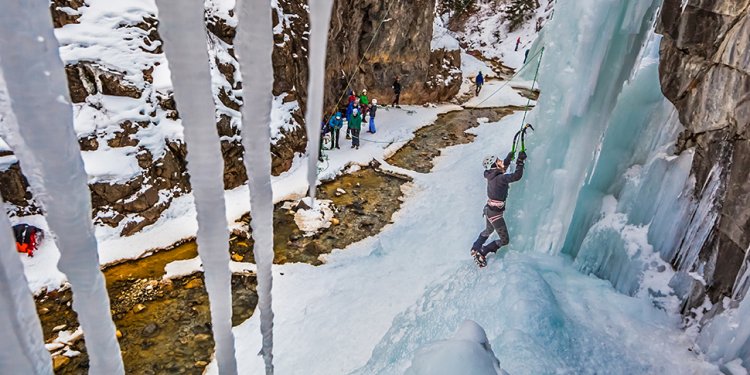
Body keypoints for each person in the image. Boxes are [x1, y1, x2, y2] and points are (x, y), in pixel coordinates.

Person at [470, 150, 526, 267]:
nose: (501, 161)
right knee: (505, 240)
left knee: (488, 230)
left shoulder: (491, 175)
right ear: (494, 165)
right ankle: (482, 251)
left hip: (489, 210)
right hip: (495, 214)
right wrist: (520, 162)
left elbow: (501, 168)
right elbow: (517, 176)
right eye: (498, 161)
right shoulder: (500, 178)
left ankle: (475, 247)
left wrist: (508, 158)